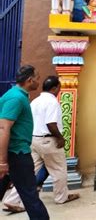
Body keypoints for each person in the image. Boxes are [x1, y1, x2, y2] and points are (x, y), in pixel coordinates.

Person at [3, 76, 80, 211]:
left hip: (34, 140)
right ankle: (61, 197)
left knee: (29, 172)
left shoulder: (34, 101)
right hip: (49, 141)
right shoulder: (52, 102)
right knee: (59, 170)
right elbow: (51, 123)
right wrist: (60, 137)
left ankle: (12, 199)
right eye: (58, 88)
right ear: (55, 88)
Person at [0, 65, 49, 219]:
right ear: (29, 80)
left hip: (14, 152)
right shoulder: (16, 98)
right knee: (30, 195)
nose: (38, 81)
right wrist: (2, 161)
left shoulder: (18, 95)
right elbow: (3, 128)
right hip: (17, 153)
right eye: (37, 78)